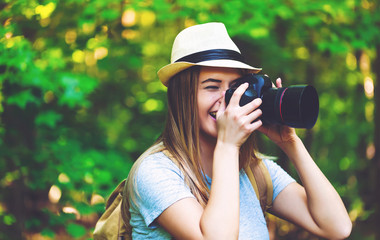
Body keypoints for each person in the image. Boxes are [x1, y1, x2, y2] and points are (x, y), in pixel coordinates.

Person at [125, 22, 352, 239]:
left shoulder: (253, 169)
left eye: (235, 88)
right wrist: (227, 145)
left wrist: (290, 142)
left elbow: (337, 227)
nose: (228, 99)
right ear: (182, 98)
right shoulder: (155, 172)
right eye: (212, 87)